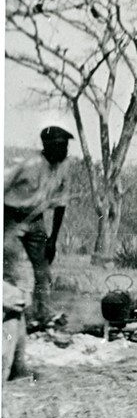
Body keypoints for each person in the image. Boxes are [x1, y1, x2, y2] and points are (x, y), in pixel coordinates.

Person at [3, 125, 74, 329]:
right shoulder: (29, 164)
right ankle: (12, 318)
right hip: (11, 218)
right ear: (49, 147)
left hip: (36, 220)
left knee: (43, 270)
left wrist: (53, 239)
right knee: (13, 269)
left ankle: (43, 316)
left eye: (67, 146)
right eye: (62, 146)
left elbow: (61, 203)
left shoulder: (64, 165)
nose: (66, 151)